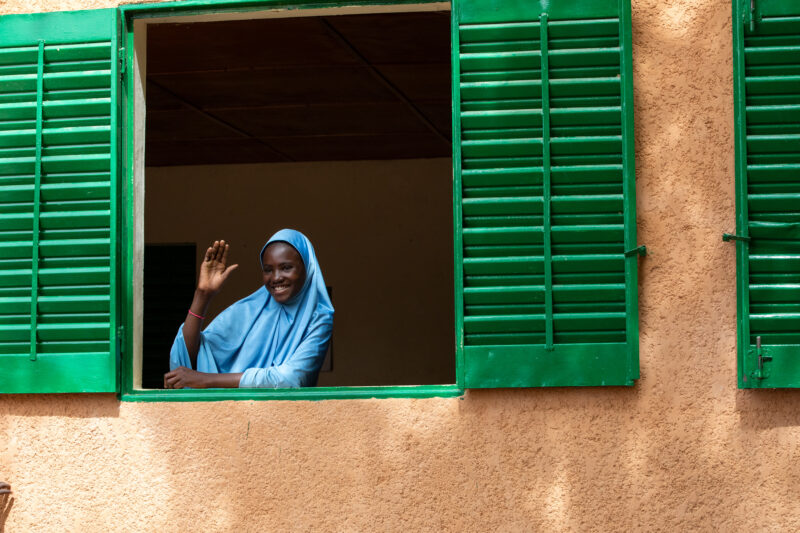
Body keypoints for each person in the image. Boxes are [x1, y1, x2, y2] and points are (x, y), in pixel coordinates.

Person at [164, 229, 334, 389]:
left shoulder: (319, 318)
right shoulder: (249, 310)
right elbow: (189, 355)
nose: (275, 278)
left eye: (286, 267)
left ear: (308, 267)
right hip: (232, 416)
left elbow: (290, 379)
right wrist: (203, 295)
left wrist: (206, 380)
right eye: (268, 270)